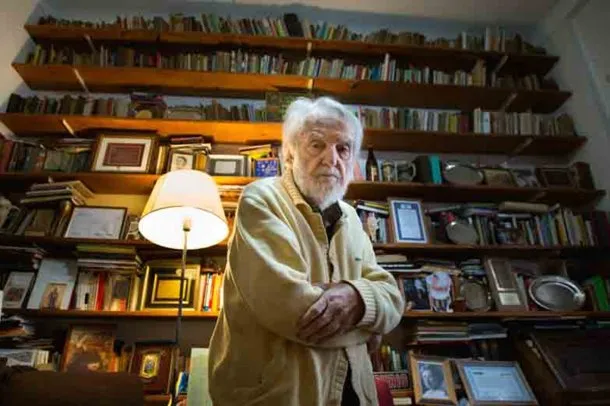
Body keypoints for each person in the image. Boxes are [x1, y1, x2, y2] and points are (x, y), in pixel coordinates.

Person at [209, 97, 405, 406]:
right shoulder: (261, 200)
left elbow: (392, 297)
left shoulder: (351, 217)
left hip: (355, 393)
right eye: (317, 145)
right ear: (289, 153)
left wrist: (356, 298)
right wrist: (370, 323)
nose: (331, 159)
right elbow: (294, 309)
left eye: (343, 149)